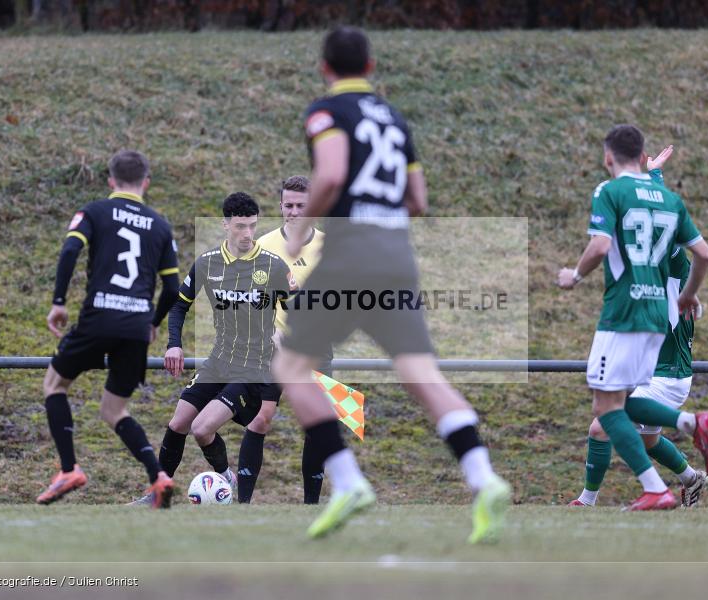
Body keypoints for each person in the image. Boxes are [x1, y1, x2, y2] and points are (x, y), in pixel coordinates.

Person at [272, 26, 510, 544]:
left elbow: (331, 175)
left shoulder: (326, 111)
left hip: (350, 252)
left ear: (324, 68)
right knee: (421, 373)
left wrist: (297, 234)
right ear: (372, 64)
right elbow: (418, 199)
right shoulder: (396, 120)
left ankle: (348, 481)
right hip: (397, 254)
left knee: (289, 366)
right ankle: (483, 477)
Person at [557, 126, 708, 511]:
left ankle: (687, 431)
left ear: (607, 157)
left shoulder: (609, 192)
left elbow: (603, 243)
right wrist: (692, 294)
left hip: (627, 316)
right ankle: (677, 477)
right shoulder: (669, 207)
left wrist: (575, 276)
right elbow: (695, 246)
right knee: (625, 418)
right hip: (652, 325)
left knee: (604, 415)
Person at [133, 192, 294, 505]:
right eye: (239, 226)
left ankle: (227, 480)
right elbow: (179, 307)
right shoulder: (207, 263)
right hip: (219, 360)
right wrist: (174, 345)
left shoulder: (273, 266)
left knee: (202, 429)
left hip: (254, 366)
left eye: (252, 226)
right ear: (225, 225)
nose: (247, 234)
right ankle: (158, 496)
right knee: (179, 422)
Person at [39, 150, 180, 508]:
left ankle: (69, 468)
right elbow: (173, 289)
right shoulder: (160, 225)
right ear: (146, 182)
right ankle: (159, 476)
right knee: (114, 409)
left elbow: (71, 250)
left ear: (110, 180)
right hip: (135, 327)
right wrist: (153, 323)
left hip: (99, 317)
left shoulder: (95, 211)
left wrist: (58, 301)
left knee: (54, 384)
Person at [253, 175, 330, 504]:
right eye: (289, 206)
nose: (294, 212)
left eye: (301, 206)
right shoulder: (264, 245)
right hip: (273, 347)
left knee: (317, 424)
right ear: (280, 206)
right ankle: (243, 501)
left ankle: (311, 505)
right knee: (261, 417)